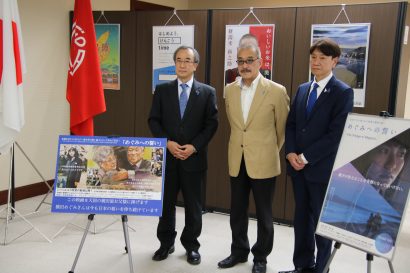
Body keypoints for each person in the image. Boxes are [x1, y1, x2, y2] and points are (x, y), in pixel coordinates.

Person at [280, 38, 353, 273]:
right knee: (301, 220)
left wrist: (306, 157)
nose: (317, 62)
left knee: (321, 224)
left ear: (335, 61)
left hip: (320, 168)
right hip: (297, 168)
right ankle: (302, 265)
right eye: (313, 57)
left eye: (323, 58)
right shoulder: (303, 89)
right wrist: (290, 152)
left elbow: (336, 134)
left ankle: (322, 268)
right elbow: (291, 125)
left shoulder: (342, 92)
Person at [218, 41, 289, 273]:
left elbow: (282, 130)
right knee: (237, 211)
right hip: (237, 160)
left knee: (264, 213)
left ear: (260, 62)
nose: (245, 65)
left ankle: (261, 257)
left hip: (264, 160)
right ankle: (238, 251)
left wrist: (268, 150)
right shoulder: (229, 89)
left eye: (250, 60)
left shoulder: (276, 91)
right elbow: (235, 126)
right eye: (240, 61)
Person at [148, 45, 218, 265]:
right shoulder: (162, 90)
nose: (182, 64)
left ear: (195, 65)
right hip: (168, 158)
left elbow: (211, 124)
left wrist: (194, 146)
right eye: (178, 60)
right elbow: (153, 120)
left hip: (193, 159)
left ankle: (191, 246)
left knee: (193, 206)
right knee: (165, 205)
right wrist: (166, 143)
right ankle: (165, 243)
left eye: (187, 60)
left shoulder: (207, 92)